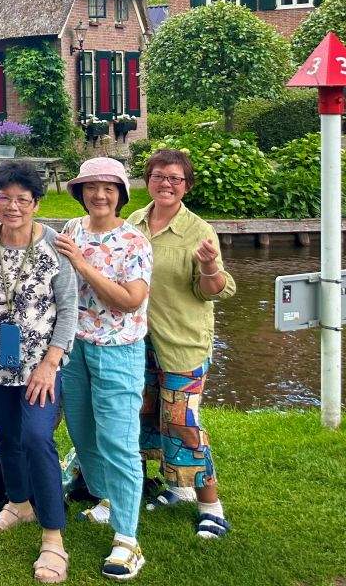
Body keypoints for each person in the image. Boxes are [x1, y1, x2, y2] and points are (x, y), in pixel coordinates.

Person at [0, 161, 77, 584]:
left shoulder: (54, 246)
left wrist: (51, 363)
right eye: (4, 198)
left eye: (22, 200)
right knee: (7, 436)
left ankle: (52, 534)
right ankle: (21, 503)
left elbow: (68, 310)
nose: (13, 206)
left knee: (36, 438)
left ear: (36, 203)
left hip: (40, 365)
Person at [126, 149, 235, 540]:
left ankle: (210, 505)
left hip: (182, 344)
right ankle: (176, 488)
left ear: (187, 185)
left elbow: (213, 291)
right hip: (137, 342)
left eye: (174, 178)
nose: (165, 183)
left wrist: (208, 267)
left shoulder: (199, 231)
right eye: (158, 176)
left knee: (183, 424)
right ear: (148, 180)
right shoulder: (133, 223)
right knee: (143, 417)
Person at [56, 158, 153, 580]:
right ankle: (109, 498)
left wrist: (82, 264)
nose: (99, 195)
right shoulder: (71, 230)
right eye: (91, 187)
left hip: (118, 351)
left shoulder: (134, 241)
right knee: (82, 432)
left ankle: (127, 541)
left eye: (108, 188)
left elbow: (129, 301)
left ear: (121, 194)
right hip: (72, 349)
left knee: (118, 441)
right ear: (79, 192)